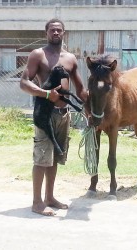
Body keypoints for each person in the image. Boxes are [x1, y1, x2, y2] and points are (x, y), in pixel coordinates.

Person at [20, 18, 88, 216]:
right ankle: (36, 202)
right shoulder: (38, 55)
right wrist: (46, 94)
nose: (56, 33)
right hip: (45, 115)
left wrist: (91, 104)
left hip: (64, 115)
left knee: (55, 158)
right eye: (52, 30)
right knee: (42, 157)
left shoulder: (70, 59)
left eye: (59, 30)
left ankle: (49, 197)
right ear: (46, 33)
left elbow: (80, 88)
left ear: (64, 33)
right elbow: (24, 82)